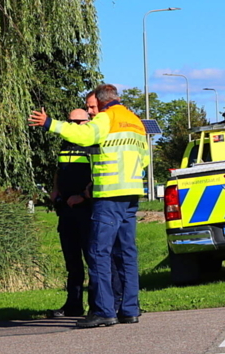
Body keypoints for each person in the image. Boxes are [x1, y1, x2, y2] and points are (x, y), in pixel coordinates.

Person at [29, 84, 147, 329]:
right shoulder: (135, 121)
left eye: (92, 107)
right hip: (132, 193)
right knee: (126, 253)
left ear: (102, 102)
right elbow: (144, 158)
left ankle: (104, 311)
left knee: (98, 252)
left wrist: (50, 123)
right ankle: (129, 309)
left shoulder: (107, 117)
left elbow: (84, 136)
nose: (91, 112)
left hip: (109, 194)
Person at [47, 108, 95, 318]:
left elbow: (98, 176)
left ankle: (97, 305)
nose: (74, 125)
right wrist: (55, 189)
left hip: (86, 209)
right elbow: (59, 170)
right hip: (66, 209)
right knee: (72, 261)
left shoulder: (93, 145)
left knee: (93, 259)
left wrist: (83, 196)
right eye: (70, 122)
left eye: (78, 122)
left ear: (88, 122)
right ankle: (73, 304)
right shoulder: (65, 145)